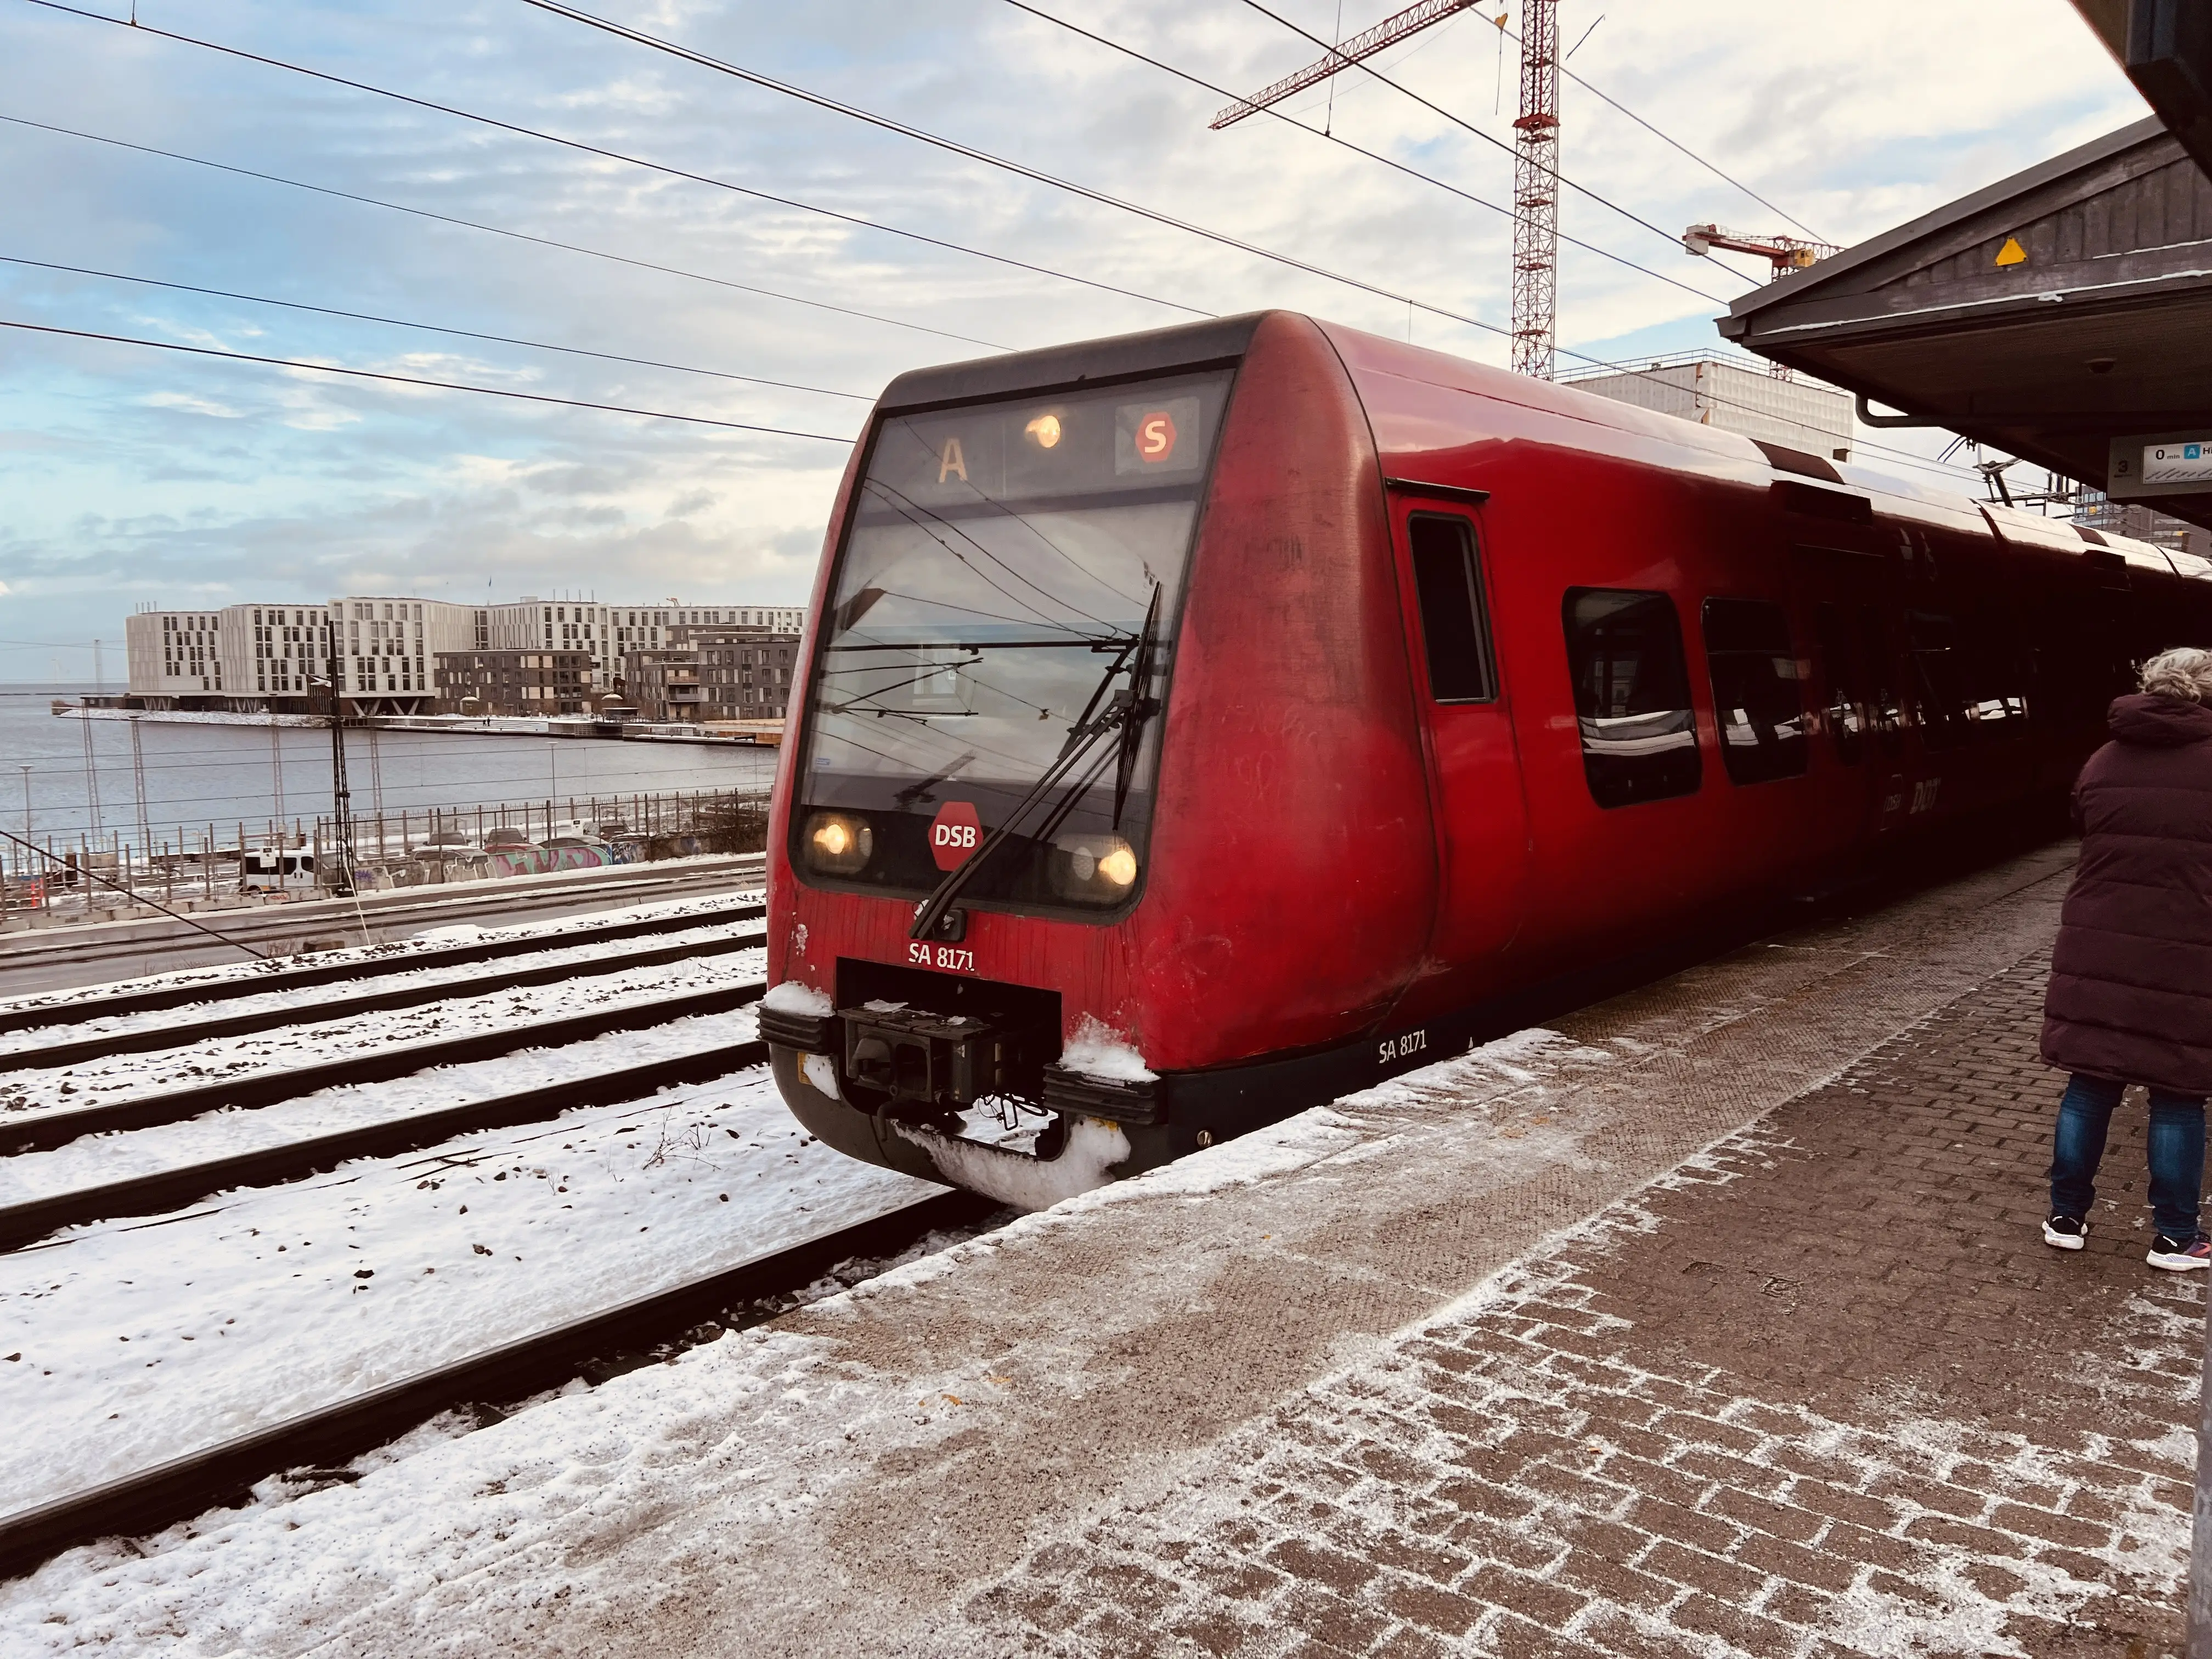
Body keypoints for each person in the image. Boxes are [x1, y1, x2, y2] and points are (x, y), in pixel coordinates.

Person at [2041, 646, 2212, 1269]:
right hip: (2188, 959)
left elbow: (2082, 824)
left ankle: (2065, 1218)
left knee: (2090, 1085)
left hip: (2097, 948)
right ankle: (2175, 1237)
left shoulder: (2104, 759)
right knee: (2178, 1093)